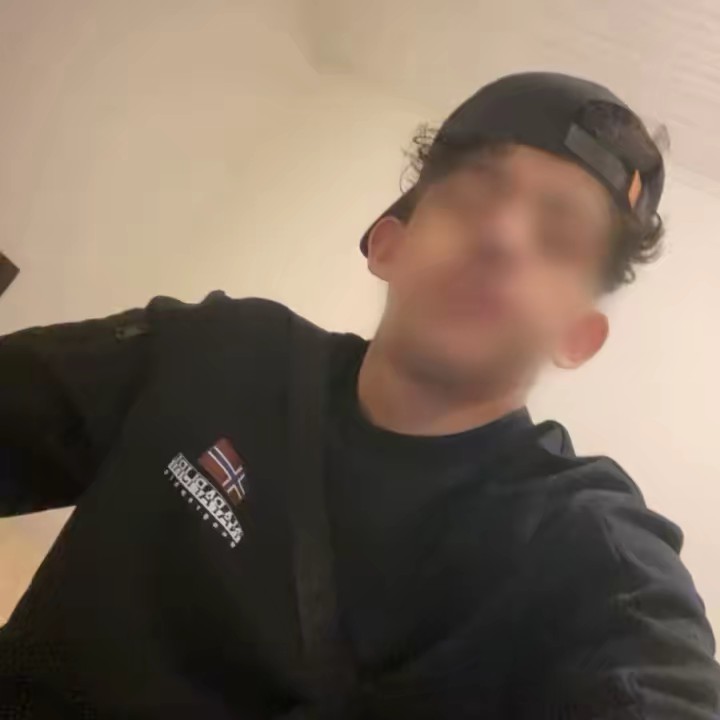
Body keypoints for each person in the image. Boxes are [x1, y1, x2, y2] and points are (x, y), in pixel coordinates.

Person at [0, 72, 718, 719]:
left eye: (557, 238)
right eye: (476, 196)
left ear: (577, 337)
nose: (502, 236)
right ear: (388, 245)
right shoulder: (215, 351)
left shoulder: (587, 549)